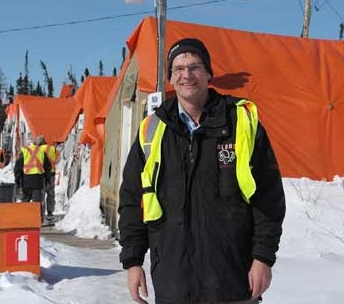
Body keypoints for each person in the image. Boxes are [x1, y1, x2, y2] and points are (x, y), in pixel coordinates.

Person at [118, 38, 286, 304]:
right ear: (171, 78)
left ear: (209, 73)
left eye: (195, 67)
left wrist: (263, 257)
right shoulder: (152, 130)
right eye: (179, 69)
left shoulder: (241, 121)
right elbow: (132, 200)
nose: (187, 75)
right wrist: (133, 260)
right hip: (173, 280)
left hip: (232, 279)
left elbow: (269, 196)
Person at [14, 134, 51, 222]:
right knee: (37, 202)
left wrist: (17, 180)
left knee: (25, 200)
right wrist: (47, 179)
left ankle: (25, 219)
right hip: (38, 180)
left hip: (26, 180)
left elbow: (18, 167)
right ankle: (38, 220)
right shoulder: (41, 151)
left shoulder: (24, 151)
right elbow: (47, 167)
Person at [44, 141, 60, 220]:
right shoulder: (52, 149)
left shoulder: (38, 149)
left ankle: (41, 213)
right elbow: (57, 159)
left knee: (41, 194)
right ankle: (50, 212)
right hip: (51, 174)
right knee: (50, 193)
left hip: (42, 174)